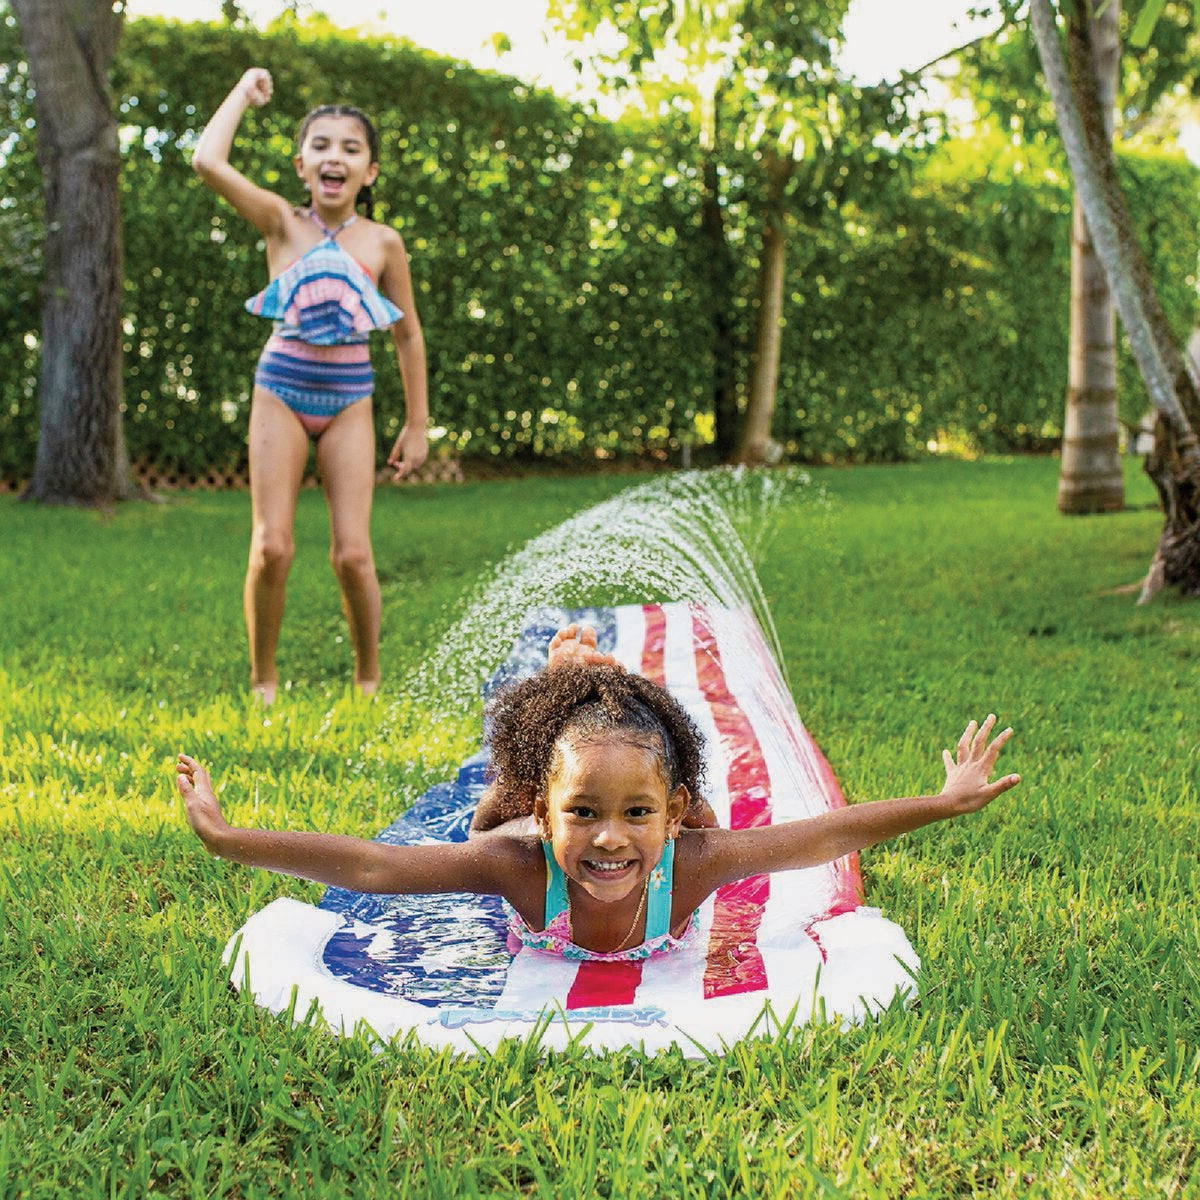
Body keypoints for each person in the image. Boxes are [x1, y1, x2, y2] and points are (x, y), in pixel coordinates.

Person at [177, 626, 1021, 961]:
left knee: (627, 758)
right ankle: (567, 689)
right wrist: (227, 836)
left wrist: (940, 802)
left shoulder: (693, 858)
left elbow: (824, 835)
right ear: (551, 817)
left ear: (673, 816)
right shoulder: (516, 861)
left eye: (637, 816)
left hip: (652, 810)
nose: (610, 840)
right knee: (490, 806)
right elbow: (378, 867)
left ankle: (592, 693)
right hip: (517, 810)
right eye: (583, 813)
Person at [192, 68, 429, 704]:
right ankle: (264, 682)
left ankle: (368, 679)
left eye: (351, 148)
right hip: (281, 393)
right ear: (302, 165)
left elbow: (407, 336)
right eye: (322, 145)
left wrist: (416, 423)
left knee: (352, 554)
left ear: (370, 171)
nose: (335, 156)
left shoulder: (383, 242)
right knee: (271, 547)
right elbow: (207, 160)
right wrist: (241, 90)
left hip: (351, 401)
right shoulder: (279, 222)